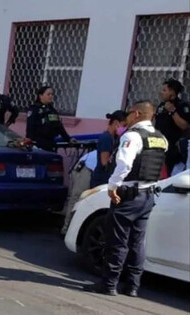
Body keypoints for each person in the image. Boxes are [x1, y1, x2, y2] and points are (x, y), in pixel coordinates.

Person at [86, 100, 168, 297]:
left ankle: (109, 284)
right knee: (138, 242)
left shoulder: (132, 136)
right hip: (148, 195)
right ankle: (132, 286)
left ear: (136, 114)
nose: (127, 119)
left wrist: (112, 186)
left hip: (128, 195)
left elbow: (124, 164)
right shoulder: (161, 138)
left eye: (129, 114)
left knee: (117, 241)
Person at [154, 79, 190, 173]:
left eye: (164, 90)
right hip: (159, 148)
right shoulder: (161, 106)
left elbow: (184, 126)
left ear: (172, 92)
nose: (161, 93)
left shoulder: (182, 106)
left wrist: (173, 111)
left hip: (174, 151)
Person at [26, 86, 76, 152]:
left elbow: (59, 127)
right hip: (38, 143)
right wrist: (29, 141)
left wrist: (68, 139)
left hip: (50, 143)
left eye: (52, 94)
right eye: (48, 94)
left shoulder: (52, 110)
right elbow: (30, 126)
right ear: (41, 96)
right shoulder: (35, 109)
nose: (51, 96)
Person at [60, 150, 97, 235]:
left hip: (90, 168)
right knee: (77, 198)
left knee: (83, 200)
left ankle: (74, 229)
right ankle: (67, 228)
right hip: (86, 168)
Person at [90, 110, 129, 188]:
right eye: (124, 125)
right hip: (101, 179)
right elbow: (105, 162)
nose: (125, 128)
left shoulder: (115, 138)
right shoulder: (106, 138)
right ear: (116, 123)